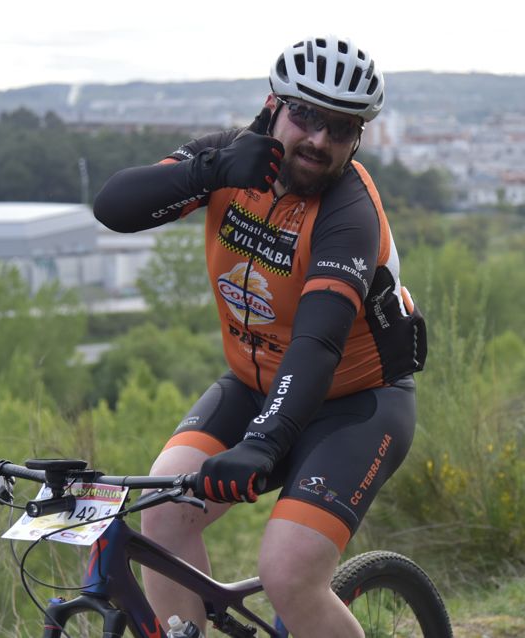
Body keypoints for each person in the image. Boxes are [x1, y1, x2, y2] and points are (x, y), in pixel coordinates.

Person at [93, 35, 426, 637]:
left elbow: (318, 344)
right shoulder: (227, 160)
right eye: (306, 116)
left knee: (288, 573)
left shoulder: (350, 212)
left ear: (357, 138)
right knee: (163, 518)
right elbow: (113, 208)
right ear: (274, 105)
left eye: (341, 129)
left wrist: (264, 443)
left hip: (356, 405)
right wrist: (211, 170)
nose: (319, 139)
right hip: (253, 385)